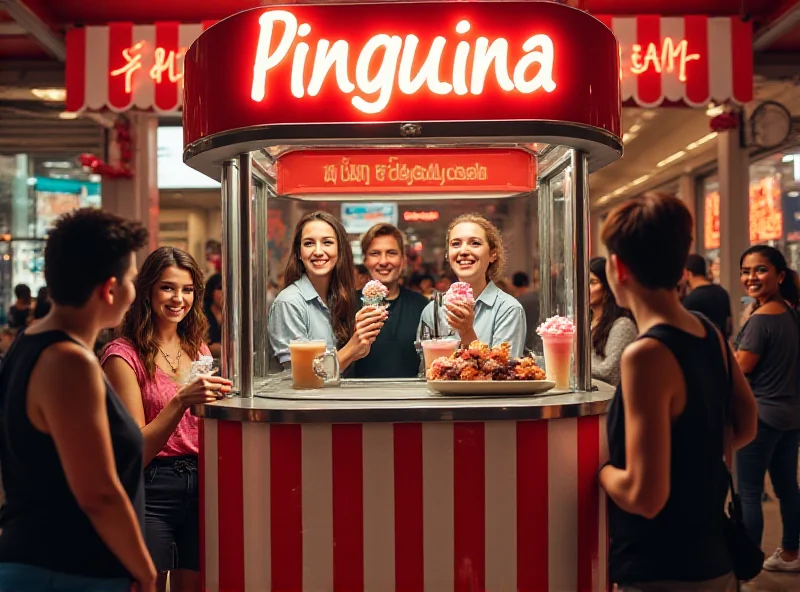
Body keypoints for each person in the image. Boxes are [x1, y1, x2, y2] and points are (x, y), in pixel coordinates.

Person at [597, 192, 757, 591]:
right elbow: (746, 425)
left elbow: (645, 496)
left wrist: (600, 473)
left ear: (618, 267)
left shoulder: (646, 355)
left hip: (662, 568)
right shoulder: (708, 331)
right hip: (714, 556)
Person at [0, 208, 156, 591]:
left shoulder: (30, 342)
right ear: (109, 289)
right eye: (133, 280)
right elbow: (98, 493)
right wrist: (146, 570)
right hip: (67, 571)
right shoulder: (69, 363)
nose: (134, 291)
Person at [102, 247, 232, 592]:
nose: (179, 299)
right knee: (147, 585)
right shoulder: (122, 355)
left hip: (202, 483)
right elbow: (136, 451)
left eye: (187, 289)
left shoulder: (198, 349)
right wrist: (179, 401)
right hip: (151, 487)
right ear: (147, 291)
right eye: (168, 288)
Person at [734, 245, 800, 572]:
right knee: (787, 486)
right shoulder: (789, 311)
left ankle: (748, 564)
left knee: (748, 492)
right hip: (789, 416)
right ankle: (791, 553)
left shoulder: (762, 320)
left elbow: (741, 367)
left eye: (760, 270)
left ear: (780, 275)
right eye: (746, 271)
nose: (751, 277)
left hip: (759, 417)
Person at [268, 211, 386, 371]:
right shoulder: (289, 302)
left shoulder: (338, 299)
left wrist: (362, 342)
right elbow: (300, 376)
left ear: (340, 250)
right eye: (309, 243)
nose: (318, 251)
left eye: (327, 242)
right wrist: (352, 348)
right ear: (299, 253)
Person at [418, 214, 526, 357]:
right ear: (447, 255)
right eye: (456, 244)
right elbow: (428, 371)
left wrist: (467, 332)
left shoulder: (508, 310)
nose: (463, 251)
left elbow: (504, 375)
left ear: (493, 254)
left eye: (475, 243)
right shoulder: (433, 310)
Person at [353, 223, 429, 378]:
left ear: (403, 259)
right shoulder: (346, 305)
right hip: (359, 399)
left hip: (412, 398)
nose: (383, 261)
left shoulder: (422, 306)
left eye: (391, 253)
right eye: (375, 253)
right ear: (365, 260)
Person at [589, 257, 637, 387]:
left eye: (592, 282)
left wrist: (575, 365)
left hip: (610, 401)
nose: (585, 288)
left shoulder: (622, 325)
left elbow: (610, 373)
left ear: (607, 287)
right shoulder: (587, 323)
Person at [682, 254, 732, 340]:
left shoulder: (690, 300)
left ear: (687, 273)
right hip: (721, 349)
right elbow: (729, 327)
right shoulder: (722, 292)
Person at [203, 272, 223, 357]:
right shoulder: (202, 316)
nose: (224, 292)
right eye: (220, 288)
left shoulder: (234, 318)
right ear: (211, 292)